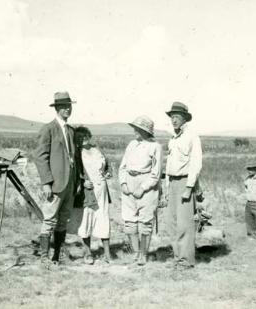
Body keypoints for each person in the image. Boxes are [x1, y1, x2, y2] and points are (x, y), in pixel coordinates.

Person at [33, 91, 81, 267]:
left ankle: (57, 256)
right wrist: (46, 182)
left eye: (69, 106)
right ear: (57, 108)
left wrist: (76, 182)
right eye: (63, 106)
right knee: (49, 219)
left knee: (63, 220)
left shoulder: (70, 130)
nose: (67, 109)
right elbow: (40, 156)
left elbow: (74, 158)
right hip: (55, 184)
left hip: (69, 184)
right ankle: (44, 258)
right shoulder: (48, 129)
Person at [118, 116, 162, 266]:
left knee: (145, 221)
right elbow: (122, 166)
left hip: (146, 184)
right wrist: (123, 182)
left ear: (145, 131)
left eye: (137, 128)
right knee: (129, 221)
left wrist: (143, 188)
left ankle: (143, 254)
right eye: (134, 128)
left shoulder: (155, 146)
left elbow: (156, 174)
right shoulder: (131, 144)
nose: (134, 131)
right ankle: (136, 253)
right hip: (129, 182)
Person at [165, 102, 202, 269]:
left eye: (177, 117)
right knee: (172, 224)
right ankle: (177, 258)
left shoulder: (192, 136)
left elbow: (196, 163)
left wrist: (189, 187)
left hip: (184, 182)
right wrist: (167, 186)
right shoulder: (173, 138)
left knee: (184, 225)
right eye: (172, 117)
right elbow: (169, 164)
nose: (174, 120)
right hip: (172, 183)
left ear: (185, 118)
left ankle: (186, 261)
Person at [74, 126, 113, 264]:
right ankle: (88, 253)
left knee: (103, 218)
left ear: (89, 136)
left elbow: (107, 166)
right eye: (79, 137)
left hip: (101, 191)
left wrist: (107, 172)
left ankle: (107, 254)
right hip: (87, 192)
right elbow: (72, 173)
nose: (83, 139)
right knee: (86, 220)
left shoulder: (97, 149)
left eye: (85, 136)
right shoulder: (76, 153)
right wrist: (82, 182)